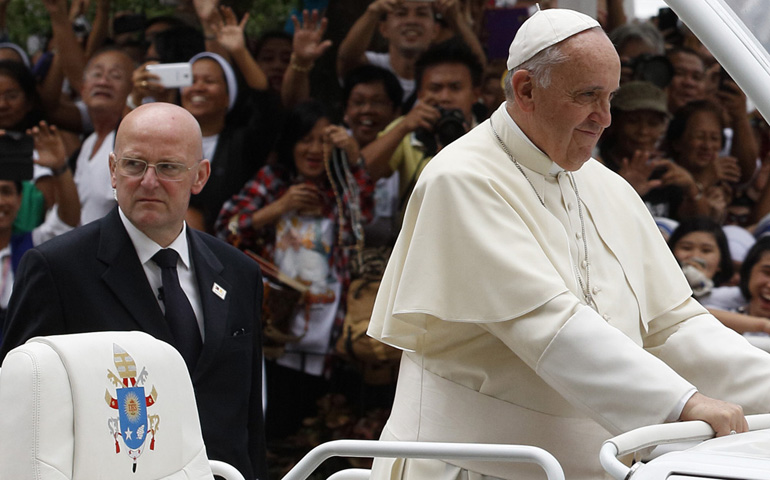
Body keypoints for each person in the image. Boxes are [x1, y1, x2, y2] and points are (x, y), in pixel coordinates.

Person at [366, 8, 770, 480]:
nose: (605, 118)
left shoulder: (608, 185)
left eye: (610, 97)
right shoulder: (461, 179)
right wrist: (683, 404)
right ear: (525, 90)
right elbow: (549, 324)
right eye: (588, 96)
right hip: (473, 467)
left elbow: (673, 326)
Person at [0, 103, 266, 480]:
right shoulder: (57, 269)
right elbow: (21, 407)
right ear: (112, 170)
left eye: (169, 167)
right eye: (134, 165)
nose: (149, 181)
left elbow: (248, 417)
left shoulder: (239, 272)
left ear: (200, 176)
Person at [215, 100, 374, 441]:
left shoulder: (339, 184)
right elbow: (225, 228)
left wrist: (355, 159)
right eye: (306, 139)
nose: (315, 149)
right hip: (274, 329)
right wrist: (280, 207)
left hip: (329, 331)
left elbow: (364, 216)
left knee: (319, 431)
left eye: (324, 140)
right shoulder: (273, 180)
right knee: (274, 426)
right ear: (290, 142)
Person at [361, 39, 482, 209]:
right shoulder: (406, 128)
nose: (444, 97)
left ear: (475, 94)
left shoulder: (491, 132)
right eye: (435, 88)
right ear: (420, 94)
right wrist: (403, 128)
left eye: (455, 88)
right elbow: (360, 175)